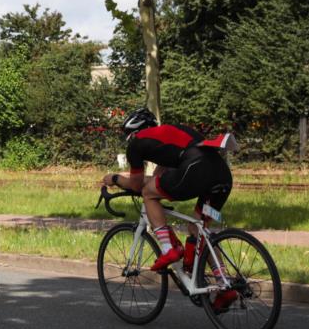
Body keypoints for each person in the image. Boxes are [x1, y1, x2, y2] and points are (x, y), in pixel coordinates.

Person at [101, 107, 237, 311]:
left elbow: (139, 186)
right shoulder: (170, 135)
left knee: (148, 193)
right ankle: (224, 284)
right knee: (198, 227)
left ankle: (170, 248)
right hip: (221, 176)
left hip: (195, 168)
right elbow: (160, 177)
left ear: (132, 132)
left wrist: (115, 179)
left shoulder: (137, 143)